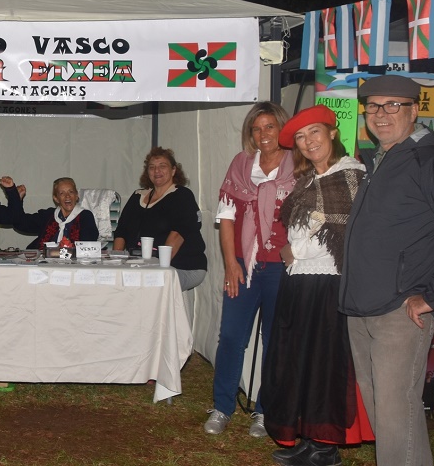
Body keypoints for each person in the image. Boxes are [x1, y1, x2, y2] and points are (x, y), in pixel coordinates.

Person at [262, 104, 372, 466]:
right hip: (300, 285)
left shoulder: (350, 176)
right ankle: (309, 437)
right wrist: (295, 249)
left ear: (332, 133)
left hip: (327, 285)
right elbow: (303, 228)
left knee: (324, 363)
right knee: (300, 362)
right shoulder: (308, 180)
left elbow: (339, 235)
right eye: (300, 137)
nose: (308, 143)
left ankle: (325, 447)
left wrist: (294, 250)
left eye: (314, 133)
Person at [340, 74, 434, 466]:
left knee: (396, 414)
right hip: (362, 305)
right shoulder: (379, 158)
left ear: (415, 110)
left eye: (393, 105)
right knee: (388, 412)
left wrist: (432, 295)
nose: (381, 115)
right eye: (374, 107)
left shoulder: (427, 158)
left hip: (401, 307)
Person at [206, 101, 295, 438]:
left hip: (282, 267)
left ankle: (265, 410)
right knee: (231, 336)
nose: (263, 134)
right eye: (256, 128)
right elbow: (226, 218)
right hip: (243, 264)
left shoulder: (297, 165)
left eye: (269, 126)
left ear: (281, 128)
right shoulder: (241, 164)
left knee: (276, 340)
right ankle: (222, 406)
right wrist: (230, 264)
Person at [113, 147, 207, 323]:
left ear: (173, 170)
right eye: (152, 167)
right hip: (141, 265)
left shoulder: (182, 196)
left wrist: (153, 269)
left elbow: (177, 235)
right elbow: (121, 232)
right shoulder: (137, 196)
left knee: (146, 285)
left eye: (162, 166)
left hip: (182, 265)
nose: (157, 171)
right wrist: (116, 262)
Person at [15, 177, 100, 249]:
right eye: (62, 193)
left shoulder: (85, 216)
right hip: (44, 263)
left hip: (73, 265)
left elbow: (89, 245)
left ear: (76, 195)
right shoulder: (48, 215)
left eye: (71, 192)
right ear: (56, 198)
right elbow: (21, 223)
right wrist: (17, 200)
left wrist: (72, 248)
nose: (67, 196)